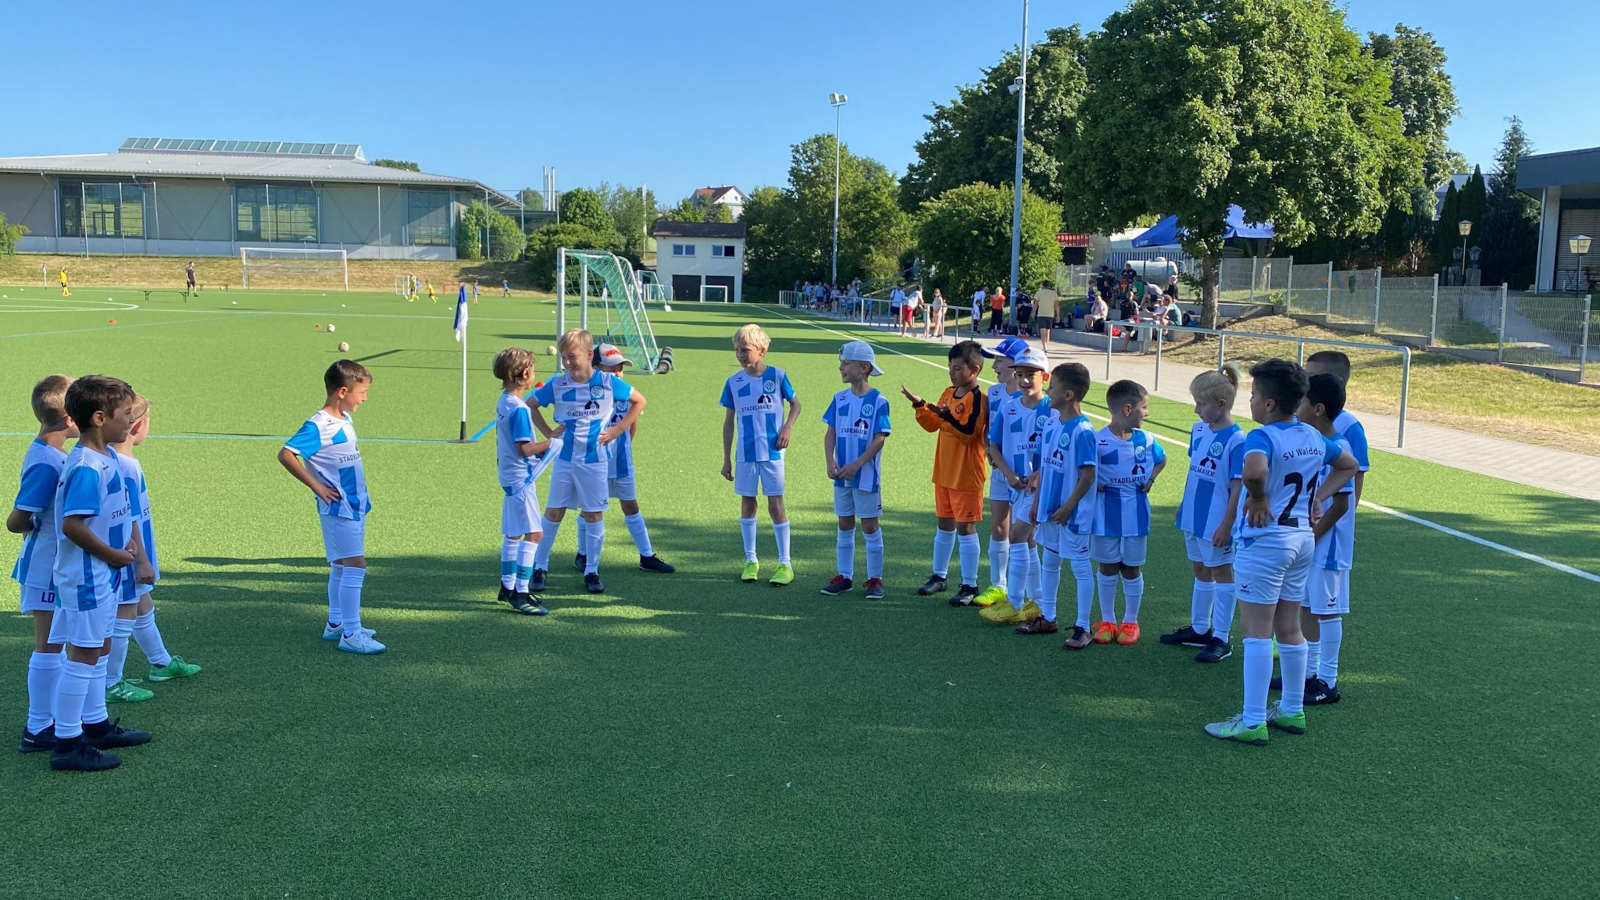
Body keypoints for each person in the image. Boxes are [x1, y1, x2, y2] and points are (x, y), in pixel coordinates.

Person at [1202, 359, 1358, 745]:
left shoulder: (1263, 437)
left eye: (1254, 395)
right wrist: (1318, 497)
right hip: (1302, 539)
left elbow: (1254, 472)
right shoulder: (1312, 436)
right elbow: (1348, 465)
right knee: (1289, 626)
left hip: (1266, 541)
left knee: (1256, 630)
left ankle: (1253, 719)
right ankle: (1291, 708)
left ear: (1269, 404)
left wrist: (1258, 497)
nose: (1251, 401)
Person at [48, 375, 152, 771]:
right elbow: (72, 526)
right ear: (98, 418)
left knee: (99, 648)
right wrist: (113, 553)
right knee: (84, 653)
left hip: (104, 573)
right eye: (125, 414)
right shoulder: (87, 467)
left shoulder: (105, 456)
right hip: (88, 576)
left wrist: (125, 549)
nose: (131, 421)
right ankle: (67, 742)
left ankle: (95, 725)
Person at [527, 329, 645, 596]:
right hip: (565, 461)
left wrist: (617, 430)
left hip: (594, 462)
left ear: (589, 355)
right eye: (564, 358)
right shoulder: (558, 384)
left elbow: (639, 401)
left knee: (593, 514)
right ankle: (540, 567)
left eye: (572, 357)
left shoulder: (607, 382)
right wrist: (548, 433)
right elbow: (530, 405)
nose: (567, 363)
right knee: (554, 512)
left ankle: (592, 571)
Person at [279, 361, 382, 654]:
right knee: (355, 566)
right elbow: (286, 454)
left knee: (340, 565)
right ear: (342, 392)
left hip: (354, 504)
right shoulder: (319, 425)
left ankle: (336, 623)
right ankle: (351, 633)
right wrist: (317, 486)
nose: (365, 398)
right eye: (362, 392)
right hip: (340, 507)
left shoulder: (344, 419)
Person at [105, 394, 201, 703]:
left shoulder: (121, 461)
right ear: (138, 426)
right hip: (130, 554)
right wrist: (142, 561)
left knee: (142, 602)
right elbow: (130, 517)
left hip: (134, 551)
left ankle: (161, 662)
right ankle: (110, 682)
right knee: (125, 610)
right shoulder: (124, 467)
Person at [9, 375, 77, 753]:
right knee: (48, 645)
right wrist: (35, 524)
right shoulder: (47, 462)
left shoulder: (51, 454)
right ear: (69, 419)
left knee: (56, 644)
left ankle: (52, 719)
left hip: (55, 563)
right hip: (45, 565)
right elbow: (16, 519)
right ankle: (37, 727)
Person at [1162, 365, 1246, 663]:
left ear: (1221, 404)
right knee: (1200, 570)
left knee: (1222, 574)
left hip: (1216, 521)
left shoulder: (1237, 440)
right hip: (1194, 517)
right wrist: (1184, 505)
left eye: (1201, 403)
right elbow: (1195, 471)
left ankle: (1221, 637)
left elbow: (1237, 487)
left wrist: (1227, 523)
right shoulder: (1200, 431)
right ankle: (1200, 628)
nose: (1196, 409)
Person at [575, 344, 676, 577]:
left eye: (620, 368)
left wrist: (621, 446)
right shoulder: (586, 393)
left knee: (630, 505)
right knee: (589, 508)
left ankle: (647, 556)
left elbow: (632, 427)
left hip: (621, 462)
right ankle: (583, 554)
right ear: (595, 368)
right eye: (611, 369)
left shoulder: (628, 393)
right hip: (594, 463)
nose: (618, 373)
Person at [903, 340, 987, 605]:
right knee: (944, 524)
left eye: (958, 368)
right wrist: (921, 406)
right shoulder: (949, 393)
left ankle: (970, 585)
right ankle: (939, 576)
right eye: (950, 367)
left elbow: (968, 432)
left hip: (966, 475)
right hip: (944, 472)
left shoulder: (979, 399)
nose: (952, 372)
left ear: (974, 369)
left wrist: (947, 416)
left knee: (966, 528)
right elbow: (933, 424)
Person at [1020, 363, 1098, 642]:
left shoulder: (1083, 431)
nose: (1048, 391)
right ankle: (1048, 617)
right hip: (1050, 510)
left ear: (1068, 394)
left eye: (1052, 387)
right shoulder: (1053, 424)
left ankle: (1083, 627)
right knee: (1050, 560)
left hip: (1072, 514)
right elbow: (1046, 467)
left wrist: (1068, 507)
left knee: (1079, 566)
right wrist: (1037, 502)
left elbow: (1088, 475)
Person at [720, 324, 802, 586]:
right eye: (737, 350)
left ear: (762, 350)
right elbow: (729, 422)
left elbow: (796, 404)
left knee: (776, 505)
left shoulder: (778, 376)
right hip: (745, 454)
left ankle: (785, 563)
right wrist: (726, 458)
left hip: (773, 453)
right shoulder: (733, 382)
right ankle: (750, 560)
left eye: (745, 350)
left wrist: (787, 427)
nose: (740, 355)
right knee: (748, 503)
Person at [979, 347, 1052, 627]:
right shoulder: (1008, 408)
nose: (1024, 380)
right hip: (1014, 484)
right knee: (1028, 542)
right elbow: (993, 445)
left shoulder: (1052, 409)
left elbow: (1059, 450)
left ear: (1045, 377)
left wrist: (1040, 474)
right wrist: (1008, 474)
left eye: (1030, 375)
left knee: (1019, 536)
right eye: (1020, 374)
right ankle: (1037, 601)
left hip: (1040, 489)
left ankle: (1015, 602)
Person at [1091, 380, 1167, 645]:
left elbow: (1161, 460)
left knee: (1132, 568)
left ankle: (1131, 621)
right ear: (1127, 409)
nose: (1146, 413)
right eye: (1143, 408)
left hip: (1136, 514)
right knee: (1108, 566)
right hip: (1105, 514)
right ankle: (1108, 620)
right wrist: (1093, 483)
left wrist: (1151, 478)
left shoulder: (1147, 439)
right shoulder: (1097, 441)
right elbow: (1082, 469)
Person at [1295, 374, 1356, 706]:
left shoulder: (1340, 448)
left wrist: (1311, 536)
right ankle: (1307, 673)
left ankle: (1328, 681)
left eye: (1302, 401)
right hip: (1311, 542)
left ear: (1317, 408)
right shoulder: (1313, 443)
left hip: (1328, 546)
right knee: (1307, 606)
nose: (1297, 407)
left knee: (1328, 611)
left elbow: (1342, 504)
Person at [820, 341, 892, 599]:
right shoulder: (839, 399)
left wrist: (858, 464)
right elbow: (830, 433)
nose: (841, 368)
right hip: (841, 476)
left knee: (870, 526)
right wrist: (830, 462)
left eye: (846, 364)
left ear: (864, 368)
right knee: (844, 523)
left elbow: (880, 438)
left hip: (866, 477)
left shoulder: (879, 401)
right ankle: (845, 576)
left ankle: (875, 579)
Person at [492, 347, 555, 616]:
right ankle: (520, 591)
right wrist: (552, 443)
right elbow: (525, 448)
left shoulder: (504, 400)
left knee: (513, 533)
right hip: (521, 477)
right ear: (525, 373)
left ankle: (507, 586)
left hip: (509, 475)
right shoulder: (519, 409)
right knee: (535, 534)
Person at [974, 336, 1027, 607]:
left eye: (999, 360)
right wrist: (989, 450)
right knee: (998, 525)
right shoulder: (994, 392)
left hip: (1023, 475)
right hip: (999, 470)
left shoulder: (1030, 398)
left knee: (1023, 532)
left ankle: (1024, 591)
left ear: (1016, 365)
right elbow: (989, 428)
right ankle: (999, 585)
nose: (994, 366)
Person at [1034, 281, 1060, 352]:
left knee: (1042, 330)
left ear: (1042, 286)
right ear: (1049, 286)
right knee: (1048, 330)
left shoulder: (1038, 293)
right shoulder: (1054, 293)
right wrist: (1058, 315)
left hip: (1041, 314)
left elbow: (1035, 304)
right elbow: (1057, 305)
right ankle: (1046, 345)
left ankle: (1044, 346)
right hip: (1050, 314)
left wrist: (1033, 312)